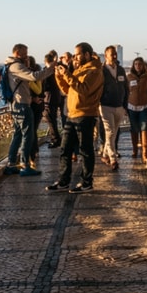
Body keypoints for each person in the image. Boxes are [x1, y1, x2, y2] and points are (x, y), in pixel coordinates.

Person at [46, 42, 104, 193]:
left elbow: (83, 90)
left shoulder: (95, 71)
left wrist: (67, 74)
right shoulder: (81, 69)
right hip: (72, 114)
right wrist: (59, 76)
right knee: (65, 149)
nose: (75, 58)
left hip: (86, 114)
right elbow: (68, 89)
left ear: (86, 54)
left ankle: (86, 182)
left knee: (85, 150)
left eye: (77, 55)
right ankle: (63, 181)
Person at [2, 43, 54, 176]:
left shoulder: (9, 66)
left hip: (16, 105)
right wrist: (50, 68)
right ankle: (25, 165)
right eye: (25, 53)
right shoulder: (16, 66)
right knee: (28, 134)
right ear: (18, 52)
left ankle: (12, 163)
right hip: (22, 105)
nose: (27, 56)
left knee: (18, 134)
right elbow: (34, 77)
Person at [98, 45, 128, 170]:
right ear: (106, 56)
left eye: (115, 54)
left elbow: (126, 88)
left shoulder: (121, 70)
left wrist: (125, 105)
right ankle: (113, 158)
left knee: (113, 133)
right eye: (112, 54)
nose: (114, 56)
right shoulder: (101, 70)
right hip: (105, 105)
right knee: (110, 132)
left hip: (119, 106)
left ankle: (105, 154)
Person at [126, 56, 147, 163]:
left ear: (143, 66)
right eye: (136, 64)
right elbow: (125, 92)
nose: (138, 66)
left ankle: (145, 153)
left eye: (140, 64)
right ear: (133, 66)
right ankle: (135, 149)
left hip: (144, 107)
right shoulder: (129, 77)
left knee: (145, 128)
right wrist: (125, 107)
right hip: (132, 107)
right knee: (134, 129)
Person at [42, 50, 65, 147]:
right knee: (53, 119)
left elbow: (45, 86)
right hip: (56, 97)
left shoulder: (47, 71)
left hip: (49, 98)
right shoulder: (56, 70)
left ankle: (55, 139)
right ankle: (56, 138)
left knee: (50, 119)